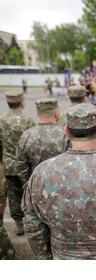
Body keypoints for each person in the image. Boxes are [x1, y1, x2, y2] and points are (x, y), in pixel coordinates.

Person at [22, 104, 96, 260]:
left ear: (66, 131)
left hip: (63, 257)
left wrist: (45, 257)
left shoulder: (42, 171)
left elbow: (33, 223)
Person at [0, 91, 35, 236]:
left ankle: (19, 223)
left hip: (8, 164)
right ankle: (31, 223)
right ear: (22, 102)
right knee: (29, 194)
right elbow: (32, 144)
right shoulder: (28, 121)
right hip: (26, 165)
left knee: (13, 194)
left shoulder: (1, 120)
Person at [16, 98, 69, 186]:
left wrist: (29, 184)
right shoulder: (66, 134)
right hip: (62, 186)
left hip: (37, 186)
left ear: (37, 114)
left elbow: (21, 165)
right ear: (57, 113)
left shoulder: (27, 135)